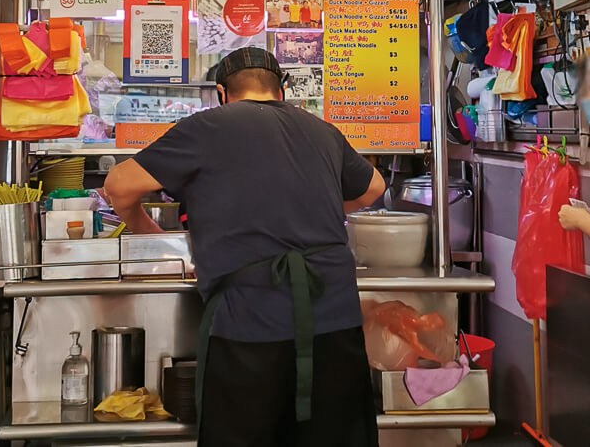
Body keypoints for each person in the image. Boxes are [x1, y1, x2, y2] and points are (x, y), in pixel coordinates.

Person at [104, 47, 384, 447]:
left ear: (222, 92)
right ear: (282, 91)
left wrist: (151, 234)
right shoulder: (322, 130)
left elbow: (118, 186)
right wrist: (309, 205)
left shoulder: (204, 127)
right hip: (334, 325)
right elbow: (374, 187)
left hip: (249, 327)